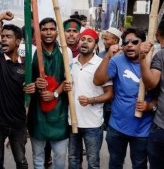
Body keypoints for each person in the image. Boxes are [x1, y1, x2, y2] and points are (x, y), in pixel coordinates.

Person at [0, 12, 35, 168]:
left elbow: (30, 92)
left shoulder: (26, 65)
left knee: (21, 161)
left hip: (18, 122)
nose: (3, 39)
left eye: (8, 37)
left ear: (18, 41)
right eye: (2, 37)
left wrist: (31, 88)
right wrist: (1, 17)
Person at [93, 27, 154, 168]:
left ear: (143, 43)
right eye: (126, 42)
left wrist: (150, 106)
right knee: (115, 163)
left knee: (139, 164)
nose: (130, 45)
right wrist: (108, 57)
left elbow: (157, 93)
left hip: (142, 130)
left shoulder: (153, 62)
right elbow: (97, 81)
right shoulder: (117, 61)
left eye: (134, 41)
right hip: (117, 127)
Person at [65, 28, 113, 169]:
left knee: (93, 162)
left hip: (93, 123)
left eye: (90, 40)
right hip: (72, 121)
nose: (85, 43)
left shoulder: (101, 64)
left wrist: (91, 100)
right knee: (73, 159)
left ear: (96, 46)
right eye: (83, 39)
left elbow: (109, 93)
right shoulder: (71, 63)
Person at [27, 17, 70, 169]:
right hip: (37, 114)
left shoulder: (66, 51)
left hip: (59, 114)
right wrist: (34, 83)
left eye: (51, 29)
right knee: (38, 158)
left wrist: (55, 93)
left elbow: (69, 80)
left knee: (59, 158)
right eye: (44, 29)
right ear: (39, 32)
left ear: (57, 32)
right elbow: (25, 81)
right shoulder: (31, 52)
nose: (48, 32)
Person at [136, 19, 164, 168]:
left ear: (157, 35)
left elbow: (151, 83)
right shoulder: (161, 56)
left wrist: (142, 59)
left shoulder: (160, 56)